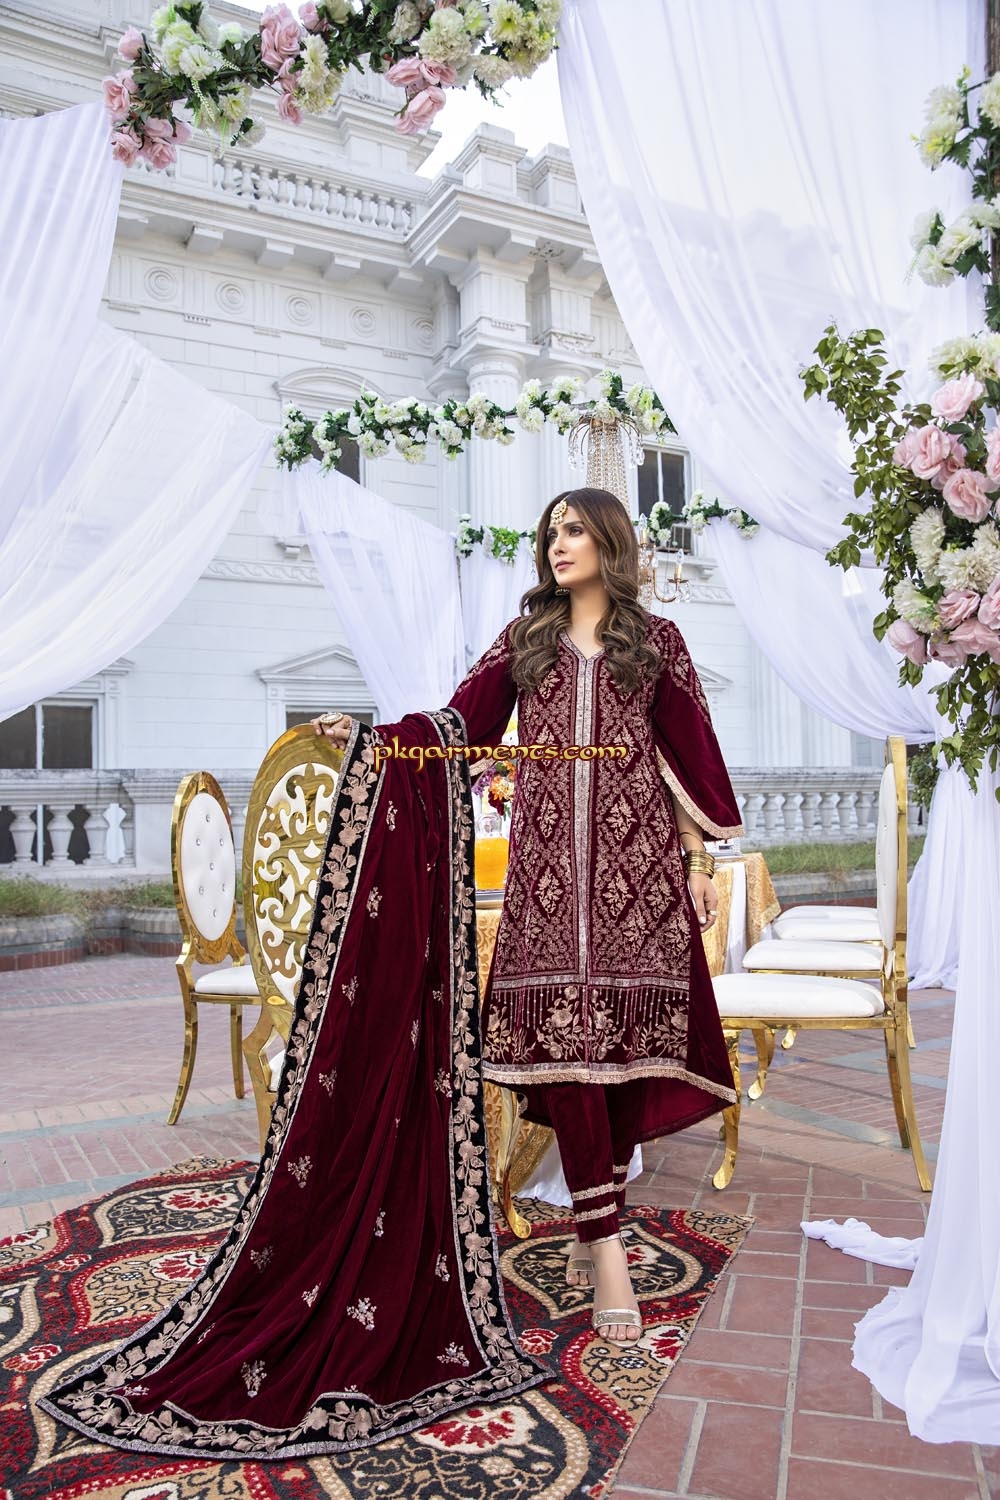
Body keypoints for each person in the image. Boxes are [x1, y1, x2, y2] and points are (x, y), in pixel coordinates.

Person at [40, 487, 740, 1461]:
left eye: (575, 530)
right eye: (550, 533)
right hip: (546, 884)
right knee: (569, 1056)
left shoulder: (655, 643)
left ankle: (593, 1218)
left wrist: (701, 862)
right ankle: (606, 1244)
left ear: (610, 540)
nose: (558, 544)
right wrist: (373, 740)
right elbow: (457, 725)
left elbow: (689, 753)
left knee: (619, 1056)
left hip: (635, 878)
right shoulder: (526, 640)